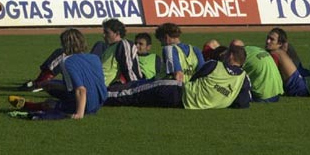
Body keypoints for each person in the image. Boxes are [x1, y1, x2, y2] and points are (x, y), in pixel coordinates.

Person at [105, 43, 251, 110]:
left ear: (231, 56)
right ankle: (108, 92)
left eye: (226, 54)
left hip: (179, 93)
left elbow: (194, 78)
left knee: (137, 91)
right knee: (139, 94)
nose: (223, 57)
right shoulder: (243, 78)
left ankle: (101, 95)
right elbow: (242, 103)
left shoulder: (214, 65)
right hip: (183, 102)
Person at [8, 29, 107, 120]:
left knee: (50, 103)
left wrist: (79, 113)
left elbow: (81, 90)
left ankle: (29, 106)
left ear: (65, 44)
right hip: (98, 103)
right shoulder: (94, 58)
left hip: (85, 104)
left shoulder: (67, 61)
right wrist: (47, 84)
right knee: (51, 84)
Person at [19, 18, 142, 91]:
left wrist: (136, 88)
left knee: (62, 54)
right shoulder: (106, 47)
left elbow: (129, 69)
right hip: (88, 79)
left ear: (117, 33)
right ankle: (40, 83)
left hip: (94, 84)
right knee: (52, 82)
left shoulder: (124, 45)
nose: (103, 35)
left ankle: (38, 83)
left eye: (106, 33)